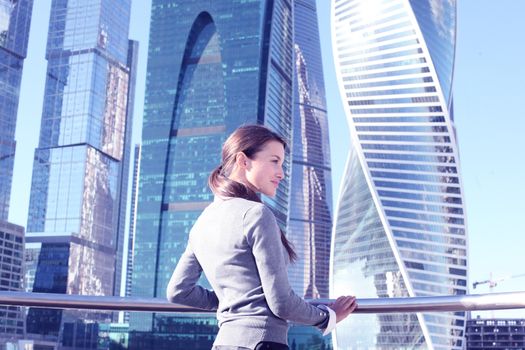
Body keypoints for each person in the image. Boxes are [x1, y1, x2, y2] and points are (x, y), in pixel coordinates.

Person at [167, 124, 357, 350]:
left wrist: (236, 300)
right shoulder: (256, 214)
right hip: (262, 343)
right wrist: (328, 316)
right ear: (243, 161)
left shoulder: (201, 223)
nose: (282, 173)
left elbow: (178, 291)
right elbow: (282, 303)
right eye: (274, 161)